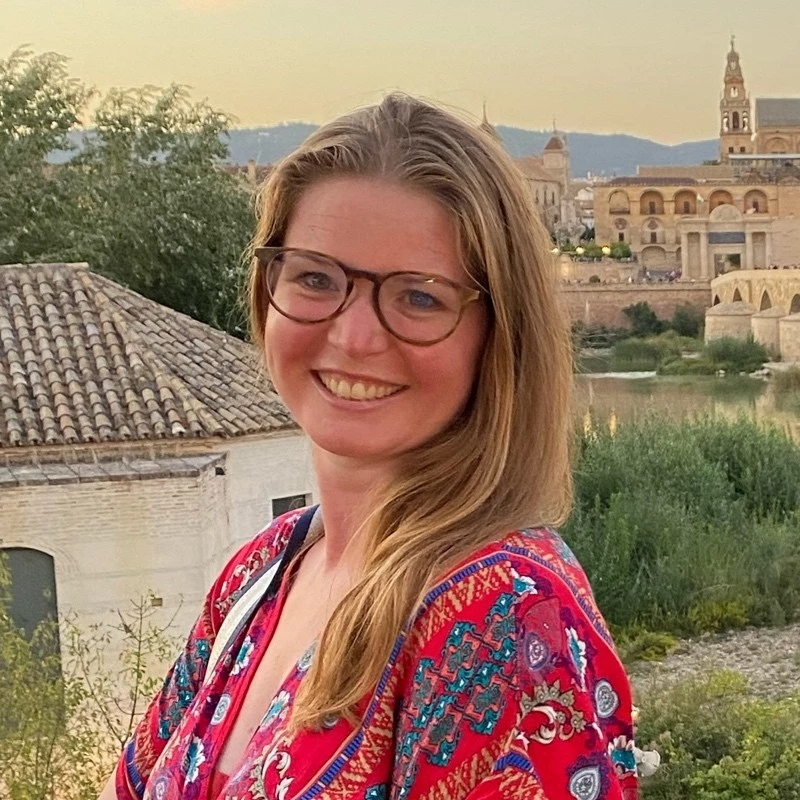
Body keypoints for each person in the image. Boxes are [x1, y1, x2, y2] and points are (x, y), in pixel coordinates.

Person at [99, 94, 638, 800]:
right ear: (266, 288)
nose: (354, 338)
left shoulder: (505, 616)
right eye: (316, 278)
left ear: (498, 336)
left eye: (419, 297)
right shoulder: (263, 569)